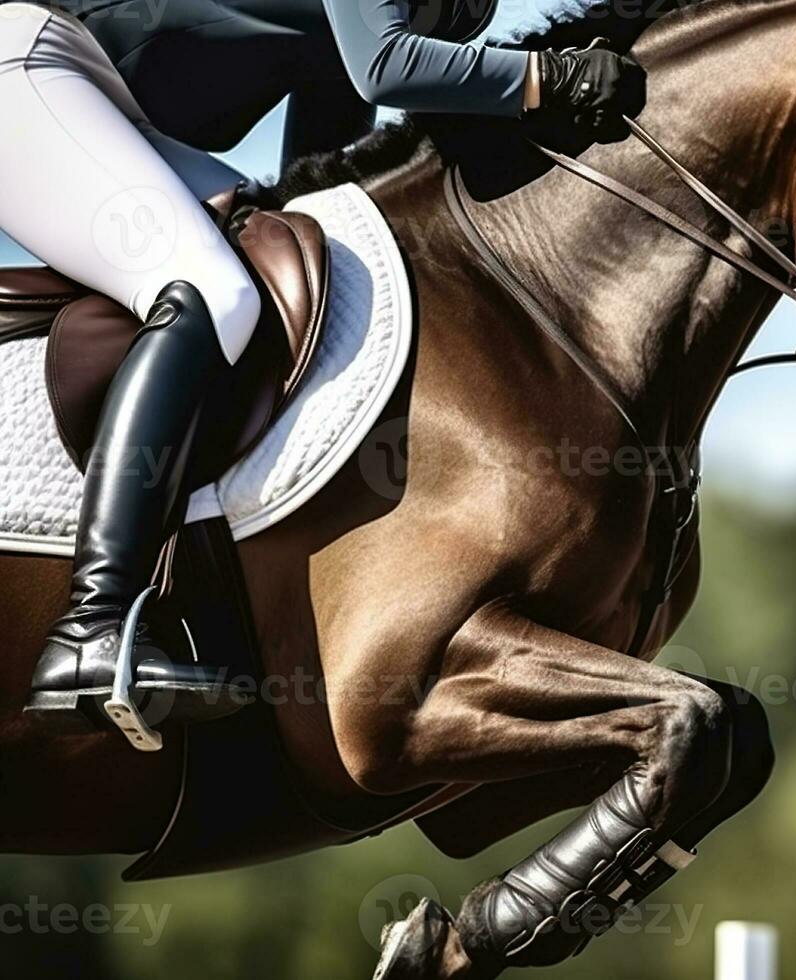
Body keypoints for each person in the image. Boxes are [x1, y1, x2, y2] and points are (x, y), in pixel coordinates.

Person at [0, 0, 647, 730]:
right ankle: (94, 626)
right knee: (212, 291)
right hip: (23, 64)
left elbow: (321, 176)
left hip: (92, 91)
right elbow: (387, 69)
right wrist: (547, 76)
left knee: (267, 261)